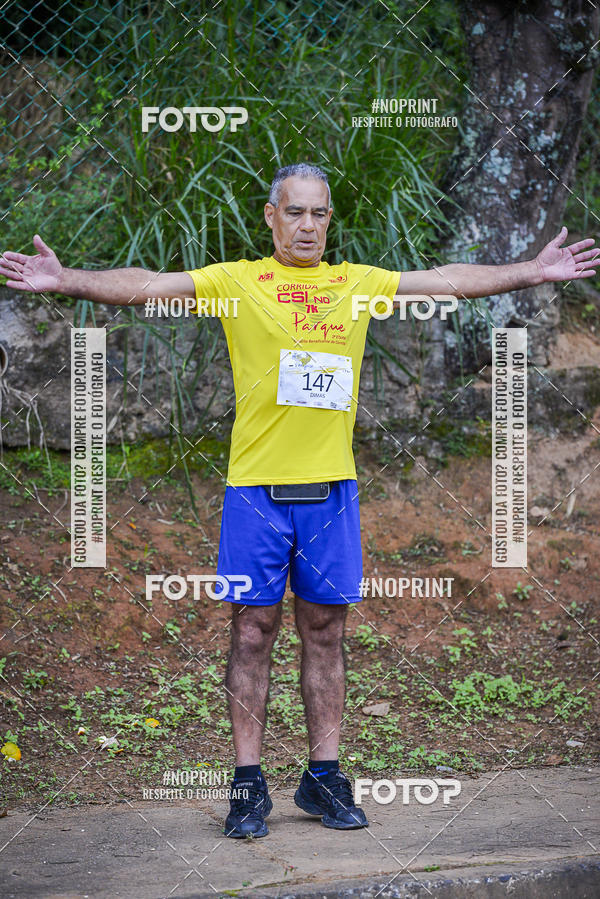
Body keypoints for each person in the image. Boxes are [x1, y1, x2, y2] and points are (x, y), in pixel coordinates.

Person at [1, 162, 597, 839]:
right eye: (296, 212)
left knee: (327, 632)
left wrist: (533, 271)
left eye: (319, 213)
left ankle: (323, 777)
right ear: (271, 216)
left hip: (331, 495)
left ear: (328, 220)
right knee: (251, 632)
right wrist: (65, 279)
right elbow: (146, 286)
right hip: (255, 494)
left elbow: (448, 281)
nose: (308, 224)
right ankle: (248, 783)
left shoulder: (357, 284)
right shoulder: (237, 282)